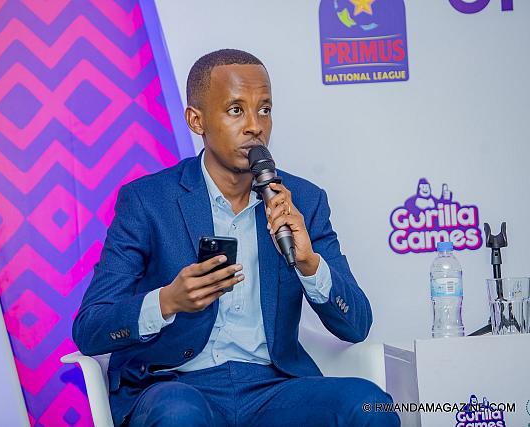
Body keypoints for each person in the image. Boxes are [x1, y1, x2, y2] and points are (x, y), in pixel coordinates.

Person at [73, 49, 399, 427]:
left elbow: (357, 326)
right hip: (176, 385)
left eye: (264, 109)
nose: (255, 126)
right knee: (179, 414)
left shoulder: (303, 202)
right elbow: (90, 328)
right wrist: (167, 301)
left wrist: (310, 265)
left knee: (368, 404)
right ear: (196, 120)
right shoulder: (148, 201)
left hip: (272, 389)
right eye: (235, 110)